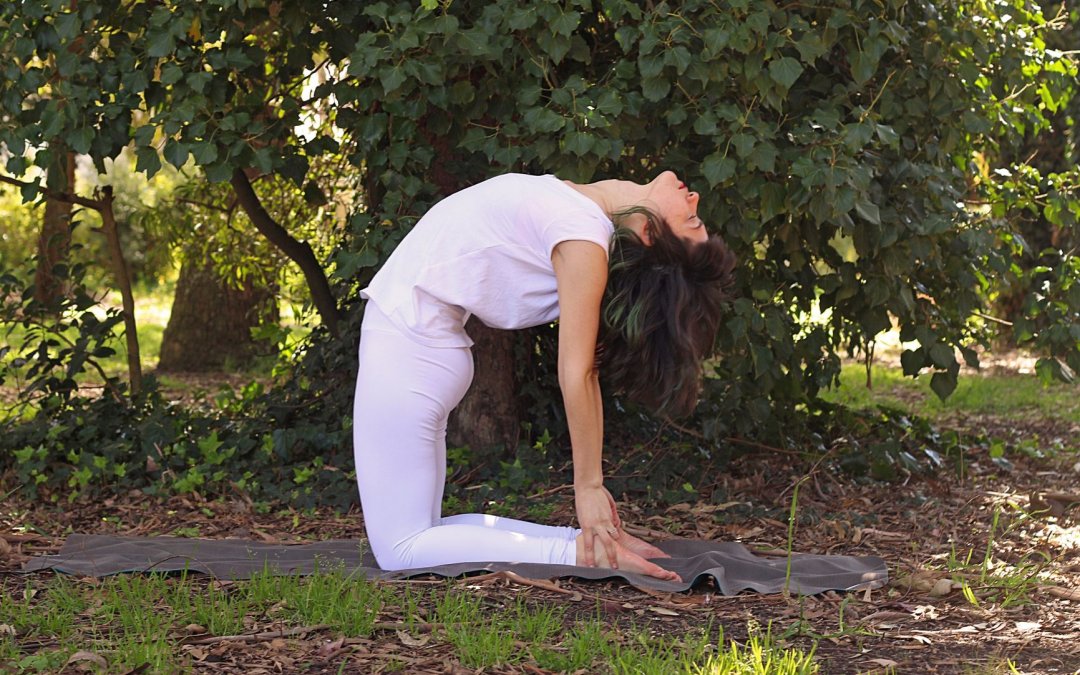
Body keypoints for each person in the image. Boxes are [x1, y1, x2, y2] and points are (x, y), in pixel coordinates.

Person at [353, 171, 736, 581]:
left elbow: (578, 370)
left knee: (401, 549)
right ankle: (586, 545)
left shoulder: (581, 235)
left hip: (408, 348)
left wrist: (588, 486)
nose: (694, 198)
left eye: (691, 220)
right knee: (420, 532)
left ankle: (583, 553)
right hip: (421, 351)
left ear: (648, 231)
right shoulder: (583, 216)